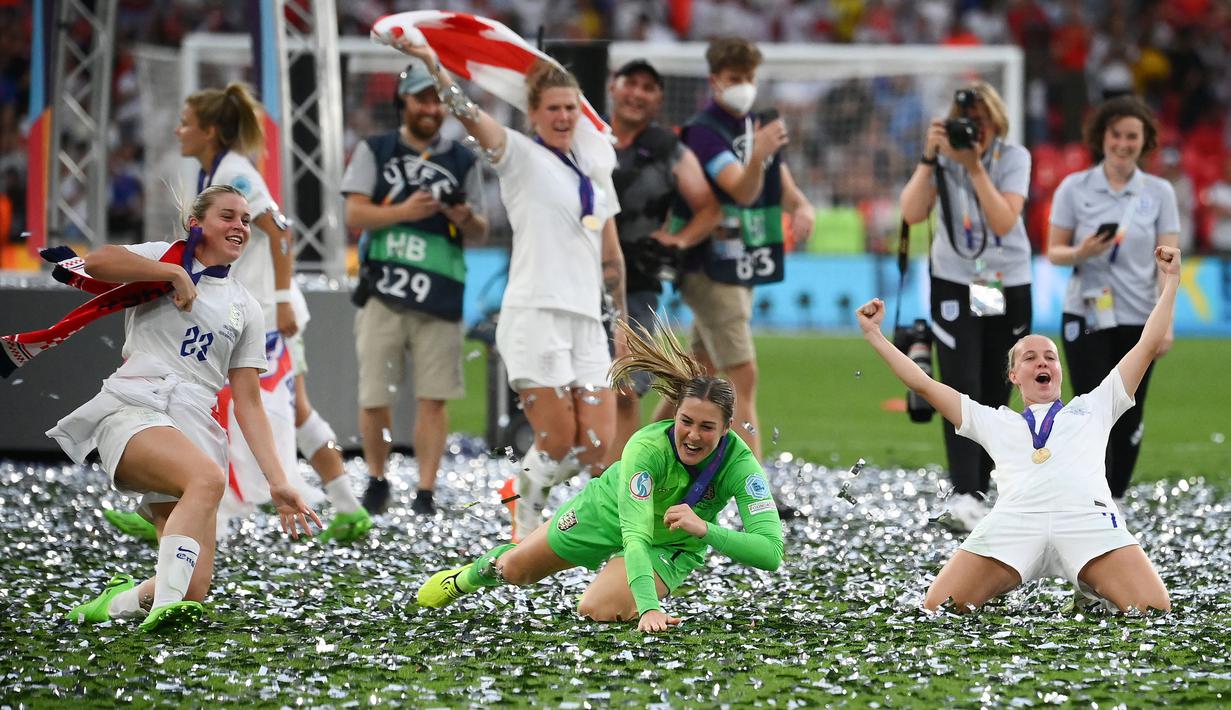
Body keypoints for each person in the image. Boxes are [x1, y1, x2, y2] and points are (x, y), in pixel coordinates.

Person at [854, 244, 1180, 614]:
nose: (1043, 362)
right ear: (1013, 376)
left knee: (1154, 608)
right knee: (940, 605)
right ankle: (1021, 579)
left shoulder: (1094, 405)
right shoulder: (995, 420)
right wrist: (874, 335)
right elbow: (925, 385)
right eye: (1030, 357)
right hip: (1015, 522)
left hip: (1086, 520)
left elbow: (1148, 343)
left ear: (1058, 372)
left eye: (1050, 357)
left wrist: (1171, 281)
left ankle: (1091, 584)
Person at [54, 185, 321, 632]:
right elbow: (97, 261)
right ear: (197, 224)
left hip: (196, 428)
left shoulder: (246, 307)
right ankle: (162, 611)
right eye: (227, 216)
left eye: (245, 220)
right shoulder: (167, 255)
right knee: (206, 479)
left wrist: (280, 481)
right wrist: (174, 274)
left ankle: (108, 607)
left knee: (194, 587)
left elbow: (249, 402)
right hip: (137, 408)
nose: (239, 226)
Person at [393, 39, 624, 541]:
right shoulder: (519, 155)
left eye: (570, 107)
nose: (563, 117)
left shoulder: (596, 172)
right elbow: (471, 114)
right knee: (559, 440)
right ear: (535, 114)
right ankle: (527, 512)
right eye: (553, 109)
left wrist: (621, 324)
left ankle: (545, 505)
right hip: (534, 315)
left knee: (600, 448)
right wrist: (437, 66)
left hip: (588, 322)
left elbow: (611, 256)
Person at [414, 319, 784, 632]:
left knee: (597, 611)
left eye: (707, 427)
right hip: (608, 511)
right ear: (675, 416)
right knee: (516, 571)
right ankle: (470, 575)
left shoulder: (740, 464)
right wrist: (650, 606)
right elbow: (635, 534)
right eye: (685, 421)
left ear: (727, 427)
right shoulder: (647, 449)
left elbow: (770, 552)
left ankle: (622, 583)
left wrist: (705, 529)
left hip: (671, 544)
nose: (692, 434)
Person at [175, 82, 369, 541]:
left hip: (265, 313)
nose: (178, 130)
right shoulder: (216, 173)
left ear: (210, 131)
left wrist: (282, 301)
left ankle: (203, 514)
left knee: (233, 404)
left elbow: (280, 234)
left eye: (186, 122)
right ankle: (347, 506)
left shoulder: (237, 173)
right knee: (298, 410)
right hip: (254, 311)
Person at [654, 37, 814, 461]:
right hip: (711, 264)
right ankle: (756, 487)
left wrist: (800, 204)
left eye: (748, 78)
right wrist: (759, 151)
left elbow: (776, 175)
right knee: (743, 375)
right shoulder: (704, 134)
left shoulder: (756, 122)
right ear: (714, 81)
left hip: (742, 260)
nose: (743, 85)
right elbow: (740, 192)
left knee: (697, 373)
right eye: (734, 79)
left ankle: (636, 460)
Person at [342, 60, 489, 515]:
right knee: (375, 397)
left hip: (441, 297)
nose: (430, 107)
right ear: (402, 100)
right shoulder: (376, 149)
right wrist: (405, 212)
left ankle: (425, 491)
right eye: (422, 98)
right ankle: (376, 478)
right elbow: (355, 216)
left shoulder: (464, 160)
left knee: (435, 398)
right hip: (384, 291)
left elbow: (482, 230)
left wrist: (461, 215)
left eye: (437, 99)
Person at [899, 81, 1033, 531]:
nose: (972, 131)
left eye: (979, 122)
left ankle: (985, 486)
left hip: (1004, 278)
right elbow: (911, 212)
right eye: (965, 123)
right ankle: (964, 493)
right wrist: (928, 158)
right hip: (956, 280)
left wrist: (975, 167)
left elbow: (1003, 219)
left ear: (996, 121)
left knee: (996, 388)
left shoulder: (1013, 158)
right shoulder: (942, 158)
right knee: (959, 385)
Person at [1047, 96, 1180, 503]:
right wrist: (1081, 252)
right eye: (1116, 135)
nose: (1123, 143)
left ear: (1144, 142)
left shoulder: (1159, 192)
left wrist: (1166, 324)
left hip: (1139, 316)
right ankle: (1088, 496)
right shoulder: (1075, 186)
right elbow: (1054, 251)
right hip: (1085, 312)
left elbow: (1170, 262)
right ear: (1101, 137)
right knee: (1089, 410)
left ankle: (1115, 502)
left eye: (1132, 136)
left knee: (1129, 412)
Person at [606, 58, 721, 455]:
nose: (637, 93)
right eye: (630, 83)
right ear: (612, 87)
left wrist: (677, 241)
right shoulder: (588, 135)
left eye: (648, 87)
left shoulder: (667, 149)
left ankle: (616, 481)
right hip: (573, 279)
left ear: (659, 100)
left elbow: (709, 207)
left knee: (625, 387)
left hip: (636, 281)